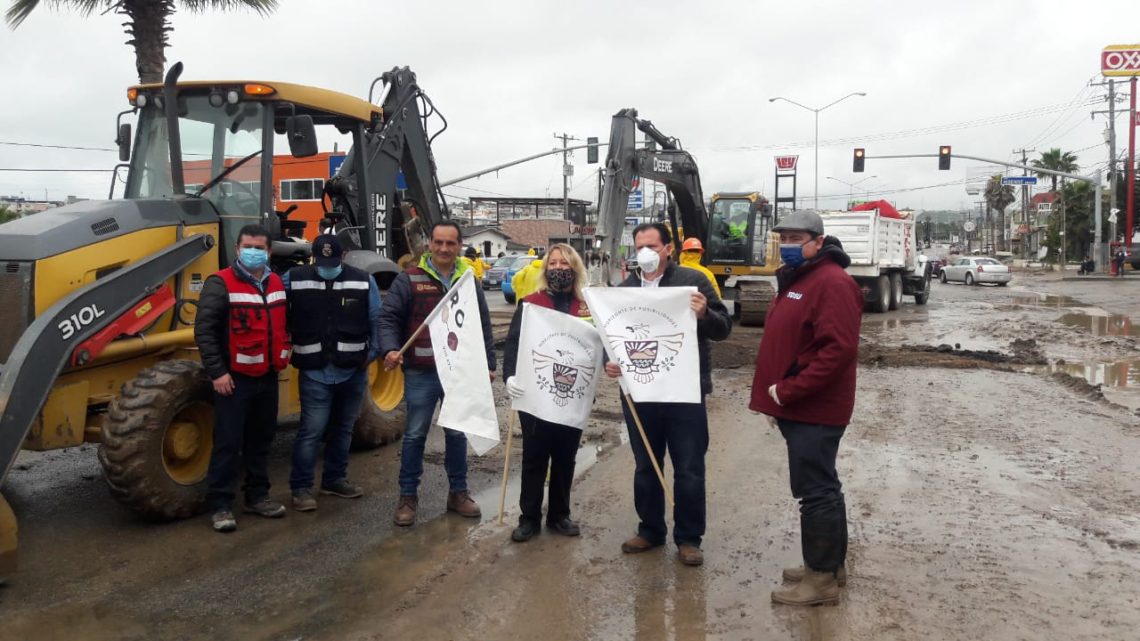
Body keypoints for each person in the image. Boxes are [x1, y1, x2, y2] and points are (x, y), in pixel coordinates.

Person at [748, 210, 863, 606]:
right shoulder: (804, 278)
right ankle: (830, 565)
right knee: (824, 486)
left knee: (814, 492)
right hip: (800, 407)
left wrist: (791, 389)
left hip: (814, 408)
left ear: (818, 241)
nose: (788, 245)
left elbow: (838, 350)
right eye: (784, 238)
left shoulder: (832, 282)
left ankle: (821, 580)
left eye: (797, 238)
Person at [603, 222, 732, 567]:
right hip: (640, 395)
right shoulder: (625, 289)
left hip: (684, 395)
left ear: (668, 249)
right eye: (639, 246)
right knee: (646, 465)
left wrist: (704, 313)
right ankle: (650, 529)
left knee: (689, 468)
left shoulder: (693, 282)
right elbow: (612, 339)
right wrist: (610, 364)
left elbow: (723, 328)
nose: (644, 253)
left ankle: (689, 538)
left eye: (651, 246)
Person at [379, 221, 496, 526]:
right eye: (439, 242)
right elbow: (388, 317)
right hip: (421, 373)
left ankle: (458, 492)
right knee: (415, 434)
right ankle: (408, 496)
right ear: (429, 244)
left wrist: (489, 365)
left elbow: (482, 324)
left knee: (457, 433)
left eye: (451, 243)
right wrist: (390, 347)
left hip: (459, 374)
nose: (444, 248)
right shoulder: (409, 279)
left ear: (459, 246)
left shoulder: (468, 281)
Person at [194, 225, 291, 533]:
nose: (253, 252)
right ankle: (221, 505)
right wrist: (218, 372)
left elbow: (282, 324)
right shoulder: (219, 283)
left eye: (259, 247)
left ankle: (257, 496)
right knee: (228, 443)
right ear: (237, 249)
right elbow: (205, 332)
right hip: (234, 380)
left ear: (269, 252)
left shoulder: (275, 281)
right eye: (247, 246)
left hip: (267, 376)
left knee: (261, 440)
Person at [502, 243, 593, 543]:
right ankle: (529, 518)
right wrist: (510, 376)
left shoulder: (587, 307)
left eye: (564, 263)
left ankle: (559, 515)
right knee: (534, 458)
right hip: (536, 396)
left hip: (573, 394)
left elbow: (599, 345)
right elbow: (514, 344)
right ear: (545, 269)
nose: (558, 268)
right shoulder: (531, 303)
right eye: (552, 263)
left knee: (565, 458)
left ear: (575, 268)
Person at [284, 234, 382, 512]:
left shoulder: (364, 280)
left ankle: (335, 479)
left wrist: (372, 354)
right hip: (315, 370)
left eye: (333, 260)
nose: (326, 266)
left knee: (344, 428)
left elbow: (377, 318)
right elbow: (274, 305)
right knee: (311, 431)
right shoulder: (294, 277)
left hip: (352, 370)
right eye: (321, 261)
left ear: (344, 255)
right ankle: (301, 487)